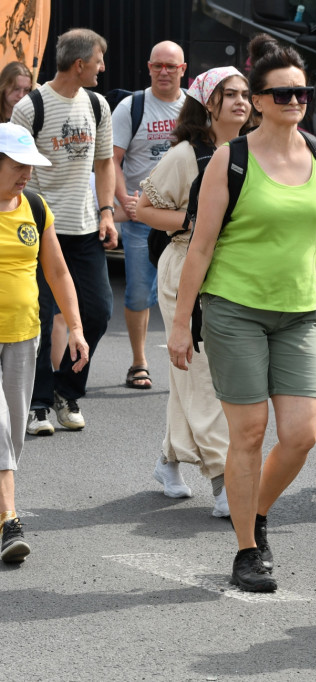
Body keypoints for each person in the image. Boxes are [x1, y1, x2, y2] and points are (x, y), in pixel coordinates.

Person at [166, 34, 316, 592]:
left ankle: (257, 512)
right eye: (283, 94)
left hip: (299, 312)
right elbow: (200, 246)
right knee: (248, 433)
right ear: (260, 101)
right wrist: (180, 321)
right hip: (234, 310)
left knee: (301, 435)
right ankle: (247, 548)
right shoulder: (230, 159)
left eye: (303, 93)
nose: (295, 102)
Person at [135, 66, 252, 515]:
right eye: (230, 95)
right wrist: (192, 222)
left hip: (236, 271)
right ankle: (225, 482)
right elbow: (144, 208)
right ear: (209, 103)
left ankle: (169, 459)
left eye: (245, 94)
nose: (241, 102)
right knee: (203, 376)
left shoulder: (251, 150)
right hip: (186, 265)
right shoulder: (186, 154)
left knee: (196, 375)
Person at [11, 28, 117, 436]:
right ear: (80, 64)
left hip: (86, 228)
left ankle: (66, 390)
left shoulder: (97, 105)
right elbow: (18, 169)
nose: (102, 68)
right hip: (37, 231)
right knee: (38, 316)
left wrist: (106, 212)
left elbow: (105, 163)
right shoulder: (31, 107)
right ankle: (37, 404)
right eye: (99, 60)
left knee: (97, 312)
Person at [0, 122, 89, 562]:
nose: (26, 175)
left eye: (29, 167)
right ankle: (9, 520)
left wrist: (74, 327)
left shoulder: (34, 206)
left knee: (14, 431)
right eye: (17, 166)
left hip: (23, 334)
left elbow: (57, 272)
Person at [113, 41, 187, 390]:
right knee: (139, 293)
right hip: (142, 219)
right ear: (148, 67)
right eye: (157, 65)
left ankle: (186, 363)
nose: (163, 72)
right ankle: (139, 362)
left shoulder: (194, 108)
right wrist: (122, 198)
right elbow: (111, 159)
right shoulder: (132, 107)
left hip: (184, 219)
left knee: (186, 291)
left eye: (170, 66)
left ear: (182, 70)